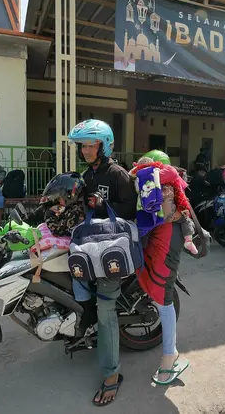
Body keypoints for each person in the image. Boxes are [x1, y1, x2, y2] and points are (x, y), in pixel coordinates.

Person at [67, 119, 137, 407]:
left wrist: (100, 204)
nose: (85, 150)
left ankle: (112, 375)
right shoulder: (88, 174)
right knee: (72, 271)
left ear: (104, 146)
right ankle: (85, 319)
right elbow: (86, 205)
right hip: (93, 240)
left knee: (106, 307)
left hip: (112, 246)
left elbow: (131, 208)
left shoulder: (117, 173)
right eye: (82, 146)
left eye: (90, 145)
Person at [129, 150, 192, 385]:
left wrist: (144, 171)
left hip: (167, 250)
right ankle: (170, 352)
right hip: (156, 246)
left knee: (163, 300)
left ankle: (170, 355)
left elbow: (170, 173)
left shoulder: (169, 183)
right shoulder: (152, 191)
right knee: (156, 295)